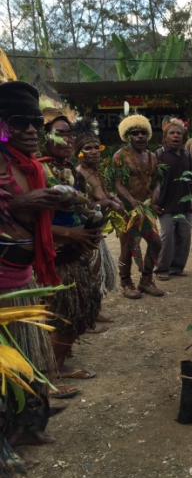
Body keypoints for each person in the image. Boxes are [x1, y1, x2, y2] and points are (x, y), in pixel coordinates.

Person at [0, 81, 74, 421]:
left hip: (24, 280)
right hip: (3, 288)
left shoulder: (30, 165)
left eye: (35, 122)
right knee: (8, 361)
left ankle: (27, 421)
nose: (31, 129)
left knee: (26, 356)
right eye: (19, 121)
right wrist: (18, 202)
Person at [39, 116, 102, 380]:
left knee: (78, 310)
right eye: (59, 133)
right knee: (64, 313)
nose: (66, 139)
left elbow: (79, 207)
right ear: (45, 137)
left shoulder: (71, 172)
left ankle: (57, 362)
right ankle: (54, 369)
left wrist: (92, 218)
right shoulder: (38, 171)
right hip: (54, 255)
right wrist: (69, 233)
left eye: (69, 134)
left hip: (74, 252)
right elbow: (30, 222)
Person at [74, 117, 122, 329]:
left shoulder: (94, 171)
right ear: (79, 152)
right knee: (89, 274)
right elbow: (84, 204)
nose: (94, 151)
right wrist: (109, 202)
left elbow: (103, 196)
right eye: (88, 148)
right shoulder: (78, 174)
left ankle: (95, 311)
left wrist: (111, 199)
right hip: (85, 231)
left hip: (96, 230)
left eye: (97, 147)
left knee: (96, 272)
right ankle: (87, 317)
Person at [112, 114, 163, 298]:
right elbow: (117, 184)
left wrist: (155, 192)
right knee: (128, 246)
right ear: (128, 136)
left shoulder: (151, 157)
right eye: (135, 133)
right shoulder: (120, 157)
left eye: (143, 133)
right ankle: (125, 282)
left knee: (156, 243)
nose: (140, 136)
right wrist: (131, 201)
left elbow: (157, 180)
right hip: (127, 210)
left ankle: (146, 280)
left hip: (146, 209)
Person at [153, 119, 192, 280]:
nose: (175, 136)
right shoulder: (158, 155)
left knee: (184, 237)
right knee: (167, 237)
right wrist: (153, 203)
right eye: (172, 133)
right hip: (165, 205)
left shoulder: (186, 155)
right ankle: (161, 269)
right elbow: (152, 181)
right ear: (165, 137)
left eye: (178, 133)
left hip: (184, 205)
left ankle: (177, 267)